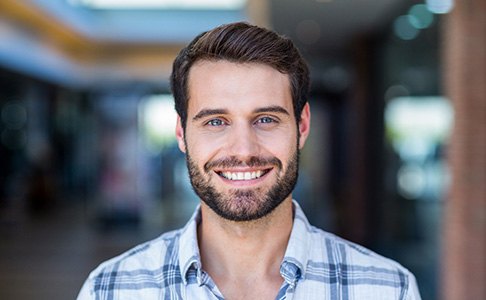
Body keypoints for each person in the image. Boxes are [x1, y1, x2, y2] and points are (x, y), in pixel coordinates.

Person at [77, 22, 421, 299]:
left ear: (302, 126)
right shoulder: (111, 289)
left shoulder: (387, 288)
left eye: (266, 119)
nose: (243, 150)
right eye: (215, 122)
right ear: (181, 134)